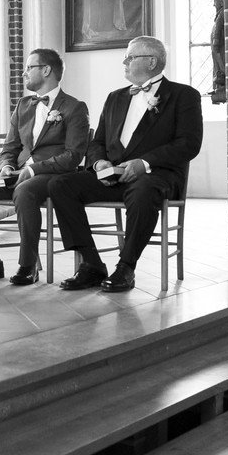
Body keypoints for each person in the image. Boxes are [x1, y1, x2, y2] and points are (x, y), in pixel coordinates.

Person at [48, 36, 202, 293]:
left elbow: (189, 144)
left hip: (156, 177)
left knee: (143, 190)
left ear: (151, 61)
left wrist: (144, 163)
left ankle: (126, 267)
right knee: (60, 185)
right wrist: (99, 163)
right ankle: (91, 263)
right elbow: (97, 141)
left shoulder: (183, 95)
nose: (124, 62)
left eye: (130, 57)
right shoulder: (115, 97)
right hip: (112, 176)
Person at [0, 48, 89, 285]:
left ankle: (28, 265)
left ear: (46, 70)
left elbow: (73, 156)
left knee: (24, 190)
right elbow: (10, 146)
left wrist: (34, 170)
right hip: (16, 174)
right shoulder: (23, 105)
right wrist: (6, 166)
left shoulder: (74, 107)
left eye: (29, 67)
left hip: (51, 177)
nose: (23, 73)